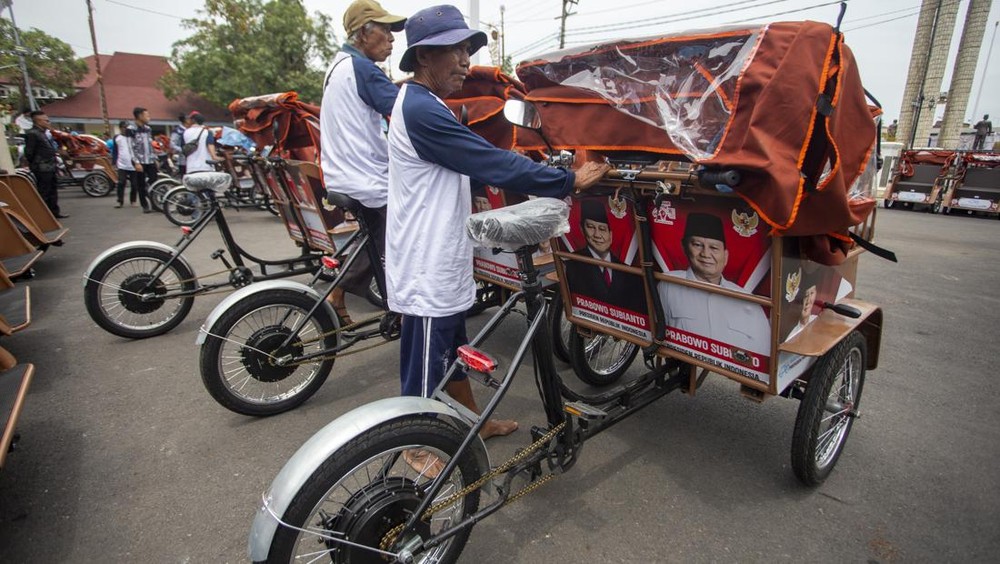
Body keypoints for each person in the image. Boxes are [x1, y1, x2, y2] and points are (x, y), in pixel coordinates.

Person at [386, 3, 610, 469]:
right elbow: (488, 161)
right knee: (426, 358)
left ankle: (475, 419)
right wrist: (568, 180)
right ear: (424, 57)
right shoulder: (421, 109)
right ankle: (414, 444)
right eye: (455, 50)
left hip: (442, 251)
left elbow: (473, 161)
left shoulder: (427, 104)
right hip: (425, 260)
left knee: (453, 345)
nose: (465, 61)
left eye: (468, 50)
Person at [320, 0, 407, 324]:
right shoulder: (362, 69)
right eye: (385, 30)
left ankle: (339, 293)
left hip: (344, 174)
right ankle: (409, 306)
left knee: (375, 237)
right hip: (366, 178)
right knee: (409, 233)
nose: (392, 38)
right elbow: (408, 113)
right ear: (363, 33)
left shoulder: (338, 67)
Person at [657, 213, 770, 355]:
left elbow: (764, 351)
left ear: (726, 256)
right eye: (697, 245)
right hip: (683, 361)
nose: (705, 254)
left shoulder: (748, 301)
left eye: (714, 248)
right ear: (685, 248)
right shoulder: (669, 285)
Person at [563, 199, 646, 312]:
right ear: (582, 229)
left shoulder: (629, 272)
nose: (597, 235)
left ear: (610, 235)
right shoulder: (572, 264)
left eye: (602, 229)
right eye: (591, 227)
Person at [23, 110, 68, 218]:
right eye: (46, 120)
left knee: (52, 191)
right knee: (44, 192)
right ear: (38, 121)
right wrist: (35, 164)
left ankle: (54, 213)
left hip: (50, 166)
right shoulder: (32, 134)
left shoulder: (43, 133)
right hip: (41, 168)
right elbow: (29, 152)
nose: (48, 122)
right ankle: (44, 216)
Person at [129, 107, 157, 212]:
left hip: (150, 159)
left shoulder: (148, 129)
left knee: (154, 181)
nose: (149, 117)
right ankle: (145, 205)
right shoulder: (131, 129)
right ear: (140, 116)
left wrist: (155, 158)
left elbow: (150, 144)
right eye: (147, 115)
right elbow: (130, 147)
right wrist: (136, 162)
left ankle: (155, 203)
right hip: (139, 161)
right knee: (141, 184)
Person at [112, 120, 139, 208]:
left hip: (133, 164)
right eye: (124, 127)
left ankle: (133, 200)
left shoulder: (132, 137)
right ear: (120, 128)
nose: (126, 129)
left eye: (127, 127)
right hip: (122, 164)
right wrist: (114, 162)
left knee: (134, 184)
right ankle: (120, 201)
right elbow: (115, 151)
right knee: (121, 182)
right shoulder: (117, 138)